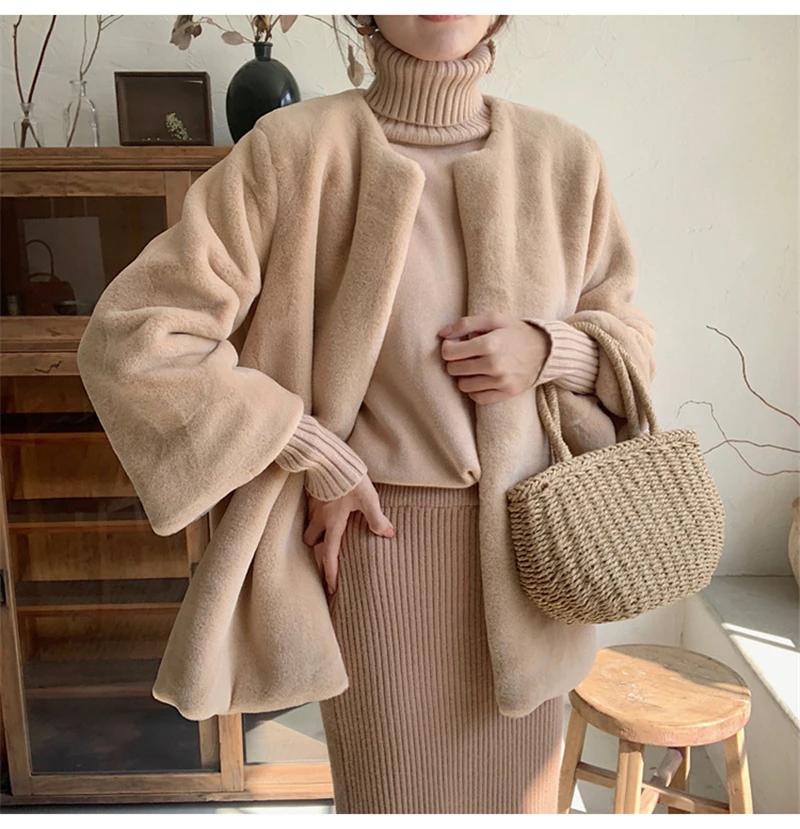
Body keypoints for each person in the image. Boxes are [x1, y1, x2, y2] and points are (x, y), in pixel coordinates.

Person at [77, 14, 656, 815]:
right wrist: (310, 447)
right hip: (375, 546)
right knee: (395, 799)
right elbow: (135, 336)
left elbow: (630, 339)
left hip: (536, 561)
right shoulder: (292, 151)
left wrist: (551, 349)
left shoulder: (565, 159)